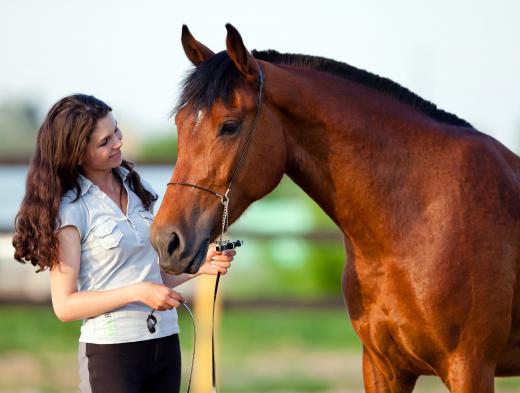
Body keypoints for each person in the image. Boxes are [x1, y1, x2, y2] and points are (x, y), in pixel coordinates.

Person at [12, 94, 235, 393]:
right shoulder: (71, 210)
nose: (117, 142)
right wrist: (138, 293)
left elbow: (154, 275)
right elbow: (64, 305)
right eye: (104, 142)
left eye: (116, 131)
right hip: (112, 353)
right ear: (78, 154)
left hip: (165, 343)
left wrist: (201, 265)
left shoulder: (138, 188)